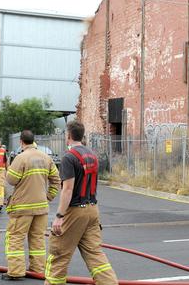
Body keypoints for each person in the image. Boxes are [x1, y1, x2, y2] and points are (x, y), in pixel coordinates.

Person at [45, 121, 117, 285]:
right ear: (82, 135)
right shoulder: (92, 155)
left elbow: (67, 189)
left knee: (59, 255)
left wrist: (59, 216)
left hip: (75, 212)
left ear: (68, 136)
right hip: (92, 211)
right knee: (95, 255)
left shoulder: (69, 158)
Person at [2, 130, 61, 281]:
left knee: (15, 238)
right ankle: (38, 269)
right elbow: (56, 180)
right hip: (41, 207)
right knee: (38, 239)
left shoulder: (21, 158)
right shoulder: (46, 158)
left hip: (22, 207)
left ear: (21, 142)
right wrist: (48, 196)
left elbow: (11, 180)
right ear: (33, 141)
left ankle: (15, 271)